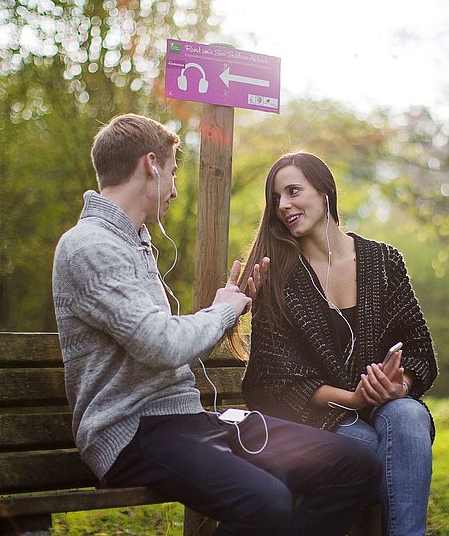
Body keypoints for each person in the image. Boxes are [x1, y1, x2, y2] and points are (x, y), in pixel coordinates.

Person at [52, 115, 380, 536]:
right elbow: (160, 346)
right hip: (133, 431)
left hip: (188, 421)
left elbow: (166, 349)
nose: (173, 189)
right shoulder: (89, 246)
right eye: (172, 173)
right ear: (150, 165)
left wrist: (234, 307)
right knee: (268, 502)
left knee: (355, 465)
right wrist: (220, 311)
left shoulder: (134, 241)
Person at [239, 151, 438, 536]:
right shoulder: (278, 276)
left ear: (324, 190)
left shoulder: (383, 261)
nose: (283, 206)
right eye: (276, 198)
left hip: (386, 405)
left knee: (409, 414)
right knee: (364, 448)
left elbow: (418, 348)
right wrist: (353, 399)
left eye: (293, 191)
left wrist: (402, 385)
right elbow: (274, 379)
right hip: (319, 417)